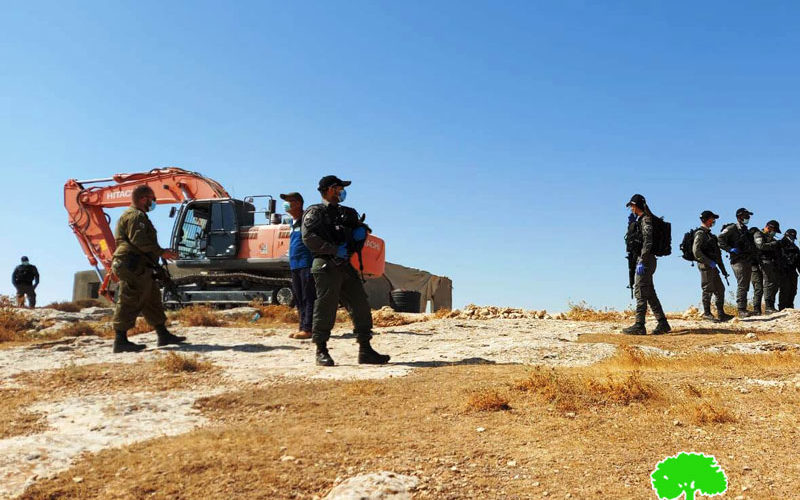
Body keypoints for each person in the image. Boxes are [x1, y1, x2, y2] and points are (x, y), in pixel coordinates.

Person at [301, 175, 390, 366]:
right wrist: (333, 249)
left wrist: (360, 235)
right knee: (325, 306)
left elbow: (358, 234)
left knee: (360, 305)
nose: (342, 192)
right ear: (330, 189)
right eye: (339, 188)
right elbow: (309, 238)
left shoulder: (347, 213)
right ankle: (321, 350)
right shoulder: (315, 212)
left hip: (346, 265)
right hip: (326, 264)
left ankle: (365, 350)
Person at [110, 185, 186, 353]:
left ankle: (163, 334)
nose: (154, 203)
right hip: (131, 264)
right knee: (130, 299)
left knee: (151, 298)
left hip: (140, 264)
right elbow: (139, 242)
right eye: (153, 199)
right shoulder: (135, 216)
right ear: (144, 199)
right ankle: (120, 340)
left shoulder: (139, 216)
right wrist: (162, 252)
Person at [622, 194, 671, 335]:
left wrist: (642, 260)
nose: (631, 208)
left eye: (632, 206)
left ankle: (639, 325)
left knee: (641, 291)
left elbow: (647, 242)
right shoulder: (640, 220)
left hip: (646, 260)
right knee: (649, 293)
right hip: (644, 259)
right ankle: (663, 323)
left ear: (636, 205)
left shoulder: (646, 220)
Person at [280, 192, 315, 340]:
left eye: (290, 201)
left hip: (306, 263)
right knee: (299, 298)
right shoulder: (292, 223)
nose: (286, 204)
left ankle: (308, 329)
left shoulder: (306, 220)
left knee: (308, 297)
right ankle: (301, 327)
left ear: (298, 203)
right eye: (286, 201)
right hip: (295, 264)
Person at [692, 211, 733, 322]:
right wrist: (708, 262)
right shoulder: (700, 233)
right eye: (712, 219)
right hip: (705, 266)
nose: (714, 221)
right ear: (706, 219)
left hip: (713, 267)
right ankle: (707, 313)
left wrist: (723, 270)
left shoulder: (710, 235)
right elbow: (696, 251)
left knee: (720, 289)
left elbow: (717, 255)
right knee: (707, 289)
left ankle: (721, 314)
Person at [718, 208, 757, 317]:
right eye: (746, 216)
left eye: (748, 216)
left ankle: (744, 309)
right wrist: (729, 249)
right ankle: (741, 310)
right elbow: (719, 239)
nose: (748, 218)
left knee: (745, 284)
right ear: (739, 217)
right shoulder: (732, 228)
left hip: (746, 260)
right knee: (742, 284)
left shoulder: (745, 230)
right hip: (737, 260)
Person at [752, 220, 782, 315]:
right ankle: (762, 309)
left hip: (767, 263)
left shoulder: (771, 239)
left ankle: (768, 307)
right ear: (769, 227)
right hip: (760, 263)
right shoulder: (758, 234)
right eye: (774, 230)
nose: (774, 233)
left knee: (770, 284)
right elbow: (760, 246)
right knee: (764, 285)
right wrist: (773, 244)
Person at [777, 229, 800, 310]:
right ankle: (782, 308)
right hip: (783, 270)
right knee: (784, 289)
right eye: (791, 237)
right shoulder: (779, 244)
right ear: (786, 235)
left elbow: (798, 262)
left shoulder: (796, 248)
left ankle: (790, 306)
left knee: (793, 290)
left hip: (792, 271)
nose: (792, 238)